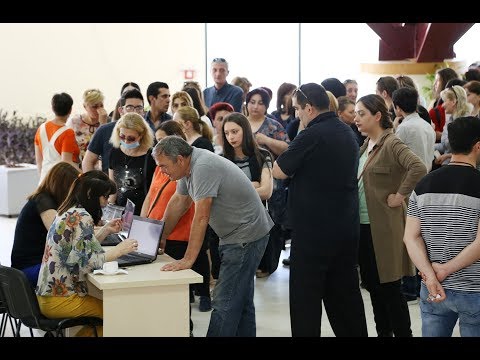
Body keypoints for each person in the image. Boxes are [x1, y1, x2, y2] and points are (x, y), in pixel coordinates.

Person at [152, 136, 274, 337]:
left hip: (246, 235)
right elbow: (179, 202)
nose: (162, 172)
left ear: (180, 159)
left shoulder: (203, 167)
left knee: (225, 301)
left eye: (164, 166)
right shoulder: (187, 167)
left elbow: (201, 217)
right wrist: (162, 235)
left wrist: (188, 259)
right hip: (239, 234)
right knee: (240, 299)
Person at [272, 83, 368, 337]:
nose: (296, 115)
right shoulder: (346, 131)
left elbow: (279, 170)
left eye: (298, 109)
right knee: (345, 298)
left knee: (306, 302)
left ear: (310, 108)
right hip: (345, 228)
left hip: (314, 233)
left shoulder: (311, 134)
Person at [354, 94, 427, 337]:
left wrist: (399, 195)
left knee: (390, 288)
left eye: (361, 113)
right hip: (365, 226)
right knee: (374, 288)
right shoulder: (366, 145)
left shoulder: (391, 143)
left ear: (377, 116)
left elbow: (418, 166)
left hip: (384, 227)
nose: (356, 118)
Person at [35, 170, 138, 336]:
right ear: (91, 193)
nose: (105, 203)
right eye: (104, 197)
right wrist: (119, 251)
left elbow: (77, 249)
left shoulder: (68, 210)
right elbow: (83, 263)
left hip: (48, 297)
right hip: (62, 299)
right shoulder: (83, 216)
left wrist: (104, 231)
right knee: (118, 313)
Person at [404, 116, 480, 337]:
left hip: (433, 286)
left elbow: (410, 237)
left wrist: (430, 273)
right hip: (473, 288)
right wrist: (446, 268)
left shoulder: (423, 184)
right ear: (477, 146)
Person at [11, 162, 80, 287]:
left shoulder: (45, 199)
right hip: (29, 269)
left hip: (32, 266)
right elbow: (61, 235)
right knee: (79, 271)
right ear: (63, 186)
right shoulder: (43, 202)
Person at [222, 112, 274, 277]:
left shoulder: (262, 155)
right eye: (227, 133)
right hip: (230, 224)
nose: (231, 137)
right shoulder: (222, 160)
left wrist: (238, 191)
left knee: (246, 277)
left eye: (235, 131)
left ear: (245, 130)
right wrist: (253, 185)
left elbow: (266, 191)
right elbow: (222, 196)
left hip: (255, 222)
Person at [83, 88, 145, 173]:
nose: (134, 112)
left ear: (143, 112)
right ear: (121, 111)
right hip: (108, 183)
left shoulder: (148, 133)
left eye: (139, 108)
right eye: (129, 107)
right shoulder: (104, 130)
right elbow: (88, 162)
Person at [108, 112, 156, 214]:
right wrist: (109, 208)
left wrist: (143, 217)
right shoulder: (115, 151)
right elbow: (113, 185)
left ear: (141, 135)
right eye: (122, 136)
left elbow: (152, 192)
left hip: (142, 212)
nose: (126, 141)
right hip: (118, 212)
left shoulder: (151, 156)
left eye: (131, 138)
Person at [34, 92, 80, 183]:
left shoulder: (41, 129)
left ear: (53, 108)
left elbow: (39, 161)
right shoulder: (68, 132)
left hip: (44, 180)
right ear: (70, 110)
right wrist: (84, 175)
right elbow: (66, 162)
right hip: (61, 183)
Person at [66, 88, 109, 163]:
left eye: (101, 105)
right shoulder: (74, 122)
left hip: (99, 168)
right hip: (78, 166)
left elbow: (107, 148)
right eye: (94, 107)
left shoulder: (108, 122)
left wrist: (103, 125)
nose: (99, 109)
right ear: (85, 106)